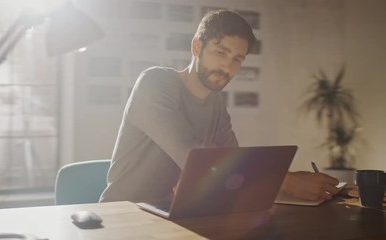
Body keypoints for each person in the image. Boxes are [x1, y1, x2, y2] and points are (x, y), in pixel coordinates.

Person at [100, 9, 339, 203]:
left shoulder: (215, 104)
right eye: (220, 52)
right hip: (120, 216)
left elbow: (233, 168)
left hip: (163, 214)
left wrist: (294, 180)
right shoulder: (155, 83)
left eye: (237, 59)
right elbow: (196, 162)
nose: (227, 67)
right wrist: (286, 181)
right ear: (196, 47)